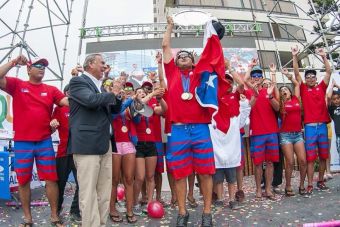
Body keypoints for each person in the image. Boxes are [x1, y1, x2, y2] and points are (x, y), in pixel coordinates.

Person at [162, 16, 222, 226]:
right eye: (180, 56)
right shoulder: (171, 73)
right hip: (178, 131)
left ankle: (207, 213)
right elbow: (165, 45)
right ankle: (182, 212)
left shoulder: (201, 73)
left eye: (187, 55)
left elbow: (212, 55)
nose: (183, 57)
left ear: (194, 61)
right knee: (179, 174)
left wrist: (213, 33)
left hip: (200, 130)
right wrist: (170, 25)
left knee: (205, 172)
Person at [0, 55, 68, 227]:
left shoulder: (51, 89)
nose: (42, 68)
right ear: (28, 69)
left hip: (44, 141)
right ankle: (28, 219)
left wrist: (77, 82)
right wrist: (14, 61)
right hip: (23, 142)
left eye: (44, 66)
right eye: (37, 65)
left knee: (51, 179)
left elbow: (66, 101)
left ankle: (54, 216)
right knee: (23, 181)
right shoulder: (18, 85)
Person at [68, 53, 122, 227]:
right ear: (90, 64)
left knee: (104, 191)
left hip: (104, 143)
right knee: (88, 192)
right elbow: (90, 101)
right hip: (87, 145)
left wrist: (117, 95)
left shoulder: (100, 86)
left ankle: (100, 224)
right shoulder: (78, 82)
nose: (105, 66)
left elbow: (114, 110)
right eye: (102, 62)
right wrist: (111, 93)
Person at [292, 46, 331, 193]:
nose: (309, 79)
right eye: (307, 77)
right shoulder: (303, 88)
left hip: (322, 126)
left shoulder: (321, 87)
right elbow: (296, 73)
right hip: (309, 127)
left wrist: (324, 56)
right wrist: (294, 56)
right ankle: (309, 184)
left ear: (316, 78)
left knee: (323, 156)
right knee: (310, 158)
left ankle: (320, 181)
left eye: (312, 77)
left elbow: (328, 72)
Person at [244, 60, 280, 200]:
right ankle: (259, 189)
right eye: (254, 75)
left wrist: (270, 95)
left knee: (270, 162)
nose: (257, 77)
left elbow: (277, 108)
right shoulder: (248, 92)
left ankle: (269, 189)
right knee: (258, 163)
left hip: (271, 132)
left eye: (259, 75)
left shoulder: (268, 90)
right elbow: (248, 108)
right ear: (251, 78)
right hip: (257, 133)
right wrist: (249, 67)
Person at [132, 86, 167, 215]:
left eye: (143, 92)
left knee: (150, 176)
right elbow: (140, 105)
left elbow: (164, 110)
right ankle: (135, 202)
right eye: (139, 92)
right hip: (139, 145)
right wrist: (152, 93)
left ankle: (150, 202)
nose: (141, 93)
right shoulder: (134, 107)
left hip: (151, 144)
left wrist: (160, 98)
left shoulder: (151, 109)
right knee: (140, 177)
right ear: (135, 96)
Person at [50, 84, 81, 222]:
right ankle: (57, 210)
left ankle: (75, 210)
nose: (71, 94)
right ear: (65, 93)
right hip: (63, 151)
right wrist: (52, 122)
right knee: (60, 183)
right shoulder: (59, 108)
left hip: (80, 151)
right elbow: (51, 125)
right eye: (69, 91)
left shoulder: (81, 107)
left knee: (81, 183)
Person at [109, 81, 138, 224]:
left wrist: (134, 104)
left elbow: (137, 120)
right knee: (114, 180)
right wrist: (127, 100)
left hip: (129, 144)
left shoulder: (130, 104)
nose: (123, 91)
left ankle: (130, 210)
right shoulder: (111, 103)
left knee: (128, 179)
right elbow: (115, 114)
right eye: (120, 89)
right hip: (114, 143)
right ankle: (112, 209)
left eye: (125, 89)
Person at [279, 68, 307, 196]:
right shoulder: (280, 104)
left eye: (285, 89)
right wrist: (281, 100)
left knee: (302, 160)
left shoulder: (296, 99)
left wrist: (287, 75)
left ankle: (301, 184)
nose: (284, 91)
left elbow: (297, 84)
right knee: (289, 161)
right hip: (286, 135)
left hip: (297, 134)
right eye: (281, 91)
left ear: (290, 92)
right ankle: (288, 185)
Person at [327, 80, 340, 164]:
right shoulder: (332, 108)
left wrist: (337, 85)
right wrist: (332, 85)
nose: (336, 100)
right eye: (334, 99)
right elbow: (328, 97)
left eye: (338, 98)